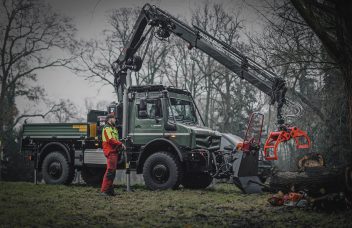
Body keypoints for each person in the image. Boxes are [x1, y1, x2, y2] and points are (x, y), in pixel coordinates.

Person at [100, 113, 125, 196]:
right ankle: (104, 191)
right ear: (110, 119)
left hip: (114, 152)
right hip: (110, 152)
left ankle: (110, 191)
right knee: (110, 171)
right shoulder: (106, 128)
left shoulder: (113, 128)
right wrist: (120, 144)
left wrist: (119, 145)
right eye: (114, 118)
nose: (115, 120)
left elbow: (115, 139)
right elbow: (110, 140)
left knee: (112, 172)